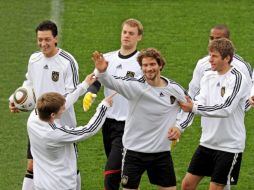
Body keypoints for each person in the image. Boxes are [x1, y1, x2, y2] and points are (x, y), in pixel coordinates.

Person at [8, 20, 93, 190]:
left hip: (63, 123)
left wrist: (56, 109)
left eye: (47, 39)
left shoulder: (67, 61)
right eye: (40, 39)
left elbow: (73, 93)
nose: (43, 44)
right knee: (32, 165)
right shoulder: (34, 59)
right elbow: (29, 83)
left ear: (56, 38)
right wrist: (16, 99)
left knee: (68, 167)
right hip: (39, 122)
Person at [92, 48, 188, 190]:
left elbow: (189, 108)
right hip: (134, 152)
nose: (149, 69)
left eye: (152, 64)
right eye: (145, 65)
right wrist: (102, 72)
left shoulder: (174, 89)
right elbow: (113, 82)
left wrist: (179, 127)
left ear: (160, 65)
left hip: (161, 152)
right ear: (141, 67)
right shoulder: (134, 86)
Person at [178, 38, 249, 190]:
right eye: (210, 55)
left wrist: (193, 108)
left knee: (215, 188)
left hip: (229, 146)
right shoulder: (208, 76)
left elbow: (226, 108)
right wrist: (188, 104)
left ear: (227, 58)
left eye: (214, 56)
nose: (209, 59)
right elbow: (200, 100)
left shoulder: (237, 78)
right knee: (187, 185)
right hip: (207, 142)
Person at [27, 84, 114, 190]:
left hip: (40, 184)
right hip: (60, 185)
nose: (65, 109)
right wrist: (104, 106)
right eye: (62, 109)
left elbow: (64, 100)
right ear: (52, 115)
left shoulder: (33, 118)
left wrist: (84, 85)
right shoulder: (54, 134)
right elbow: (88, 130)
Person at [97, 18, 144, 190]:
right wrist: (90, 93)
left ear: (139, 37)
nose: (126, 36)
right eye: (124, 32)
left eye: (131, 33)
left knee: (111, 173)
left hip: (128, 125)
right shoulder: (108, 58)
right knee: (123, 174)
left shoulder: (142, 62)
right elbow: (96, 78)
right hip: (107, 124)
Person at [188, 24, 252, 99]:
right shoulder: (202, 63)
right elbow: (193, 91)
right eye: (211, 38)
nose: (213, 42)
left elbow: (249, 95)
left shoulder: (241, 66)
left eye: (218, 39)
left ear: (228, 40)